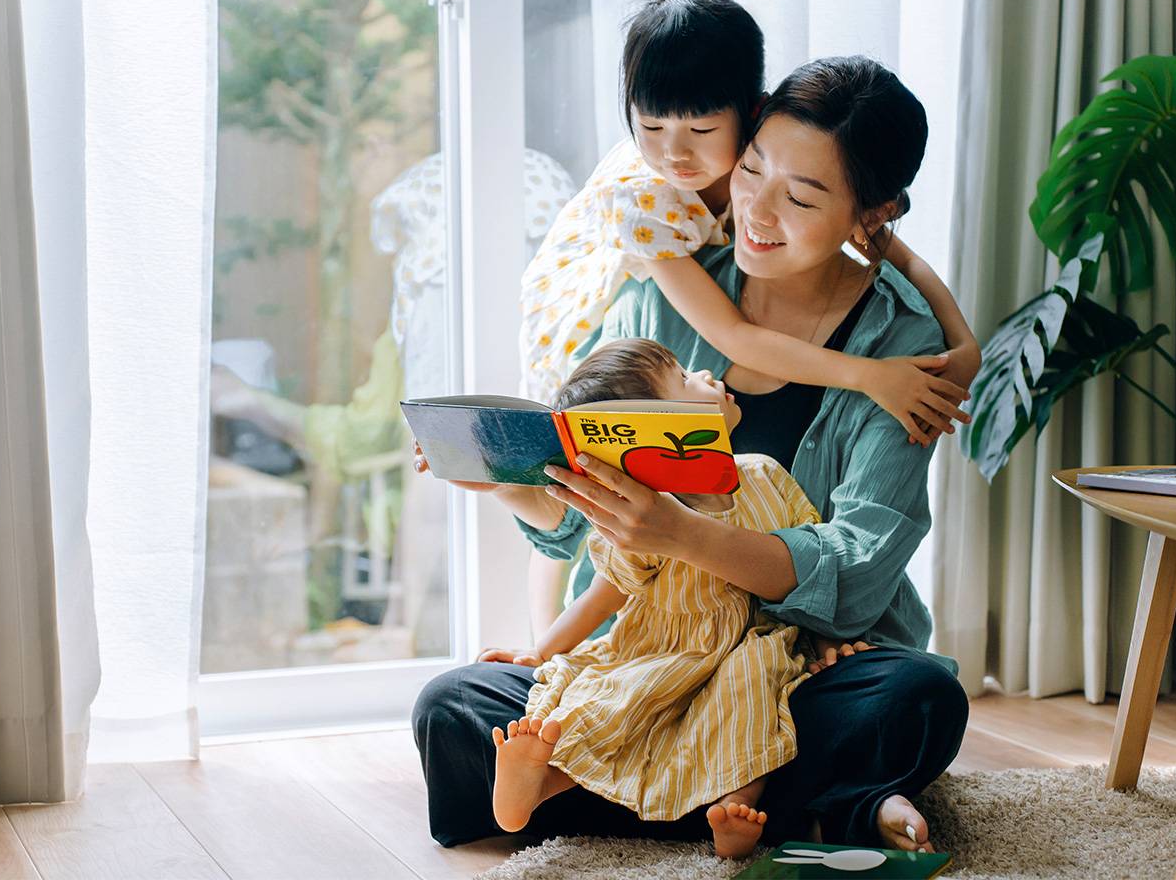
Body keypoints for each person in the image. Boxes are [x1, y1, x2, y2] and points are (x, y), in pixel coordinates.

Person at [413, 55, 973, 853]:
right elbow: (581, 529)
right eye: (751, 169)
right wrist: (500, 479)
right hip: (654, 666)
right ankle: (799, 802)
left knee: (917, 697)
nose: (756, 207)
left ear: (870, 214)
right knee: (453, 706)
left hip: (800, 665)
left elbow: (858, 573)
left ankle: (616, 791)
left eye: (801, 195)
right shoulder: (664, 291)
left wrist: (683, 535)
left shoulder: (901, 354)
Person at [419, 338, 852, 858]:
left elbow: (813, 570)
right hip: (658, 651)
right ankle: (538, 782)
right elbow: (604, 597)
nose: (705, 373)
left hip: (745, 650)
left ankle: (733, 811)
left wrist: (831, 642)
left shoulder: (764, 474)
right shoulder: (640, 511)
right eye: (686, 379)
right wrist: (542, 652)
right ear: (660, 427)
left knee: (751, 698)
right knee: (610, 704)